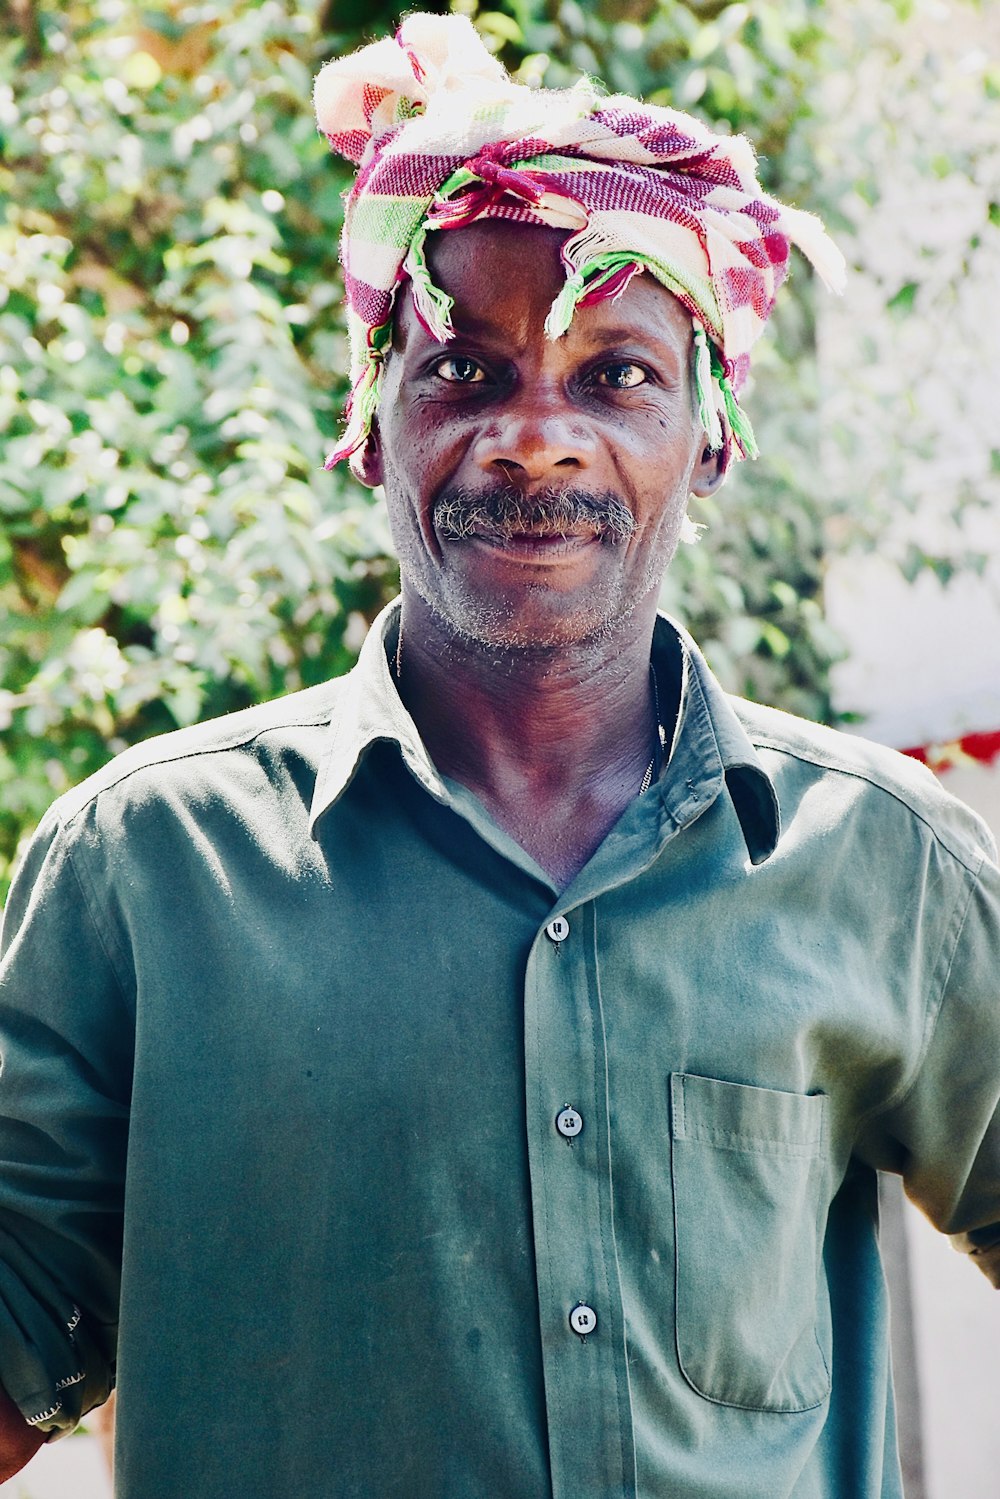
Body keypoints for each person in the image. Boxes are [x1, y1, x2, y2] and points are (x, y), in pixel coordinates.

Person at [0, 14, 997, 1497]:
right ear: (371, 418)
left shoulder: (876, 859)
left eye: (616, 378)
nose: (536, 437)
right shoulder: (142, 873)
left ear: (708, 436)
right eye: (462, 371)